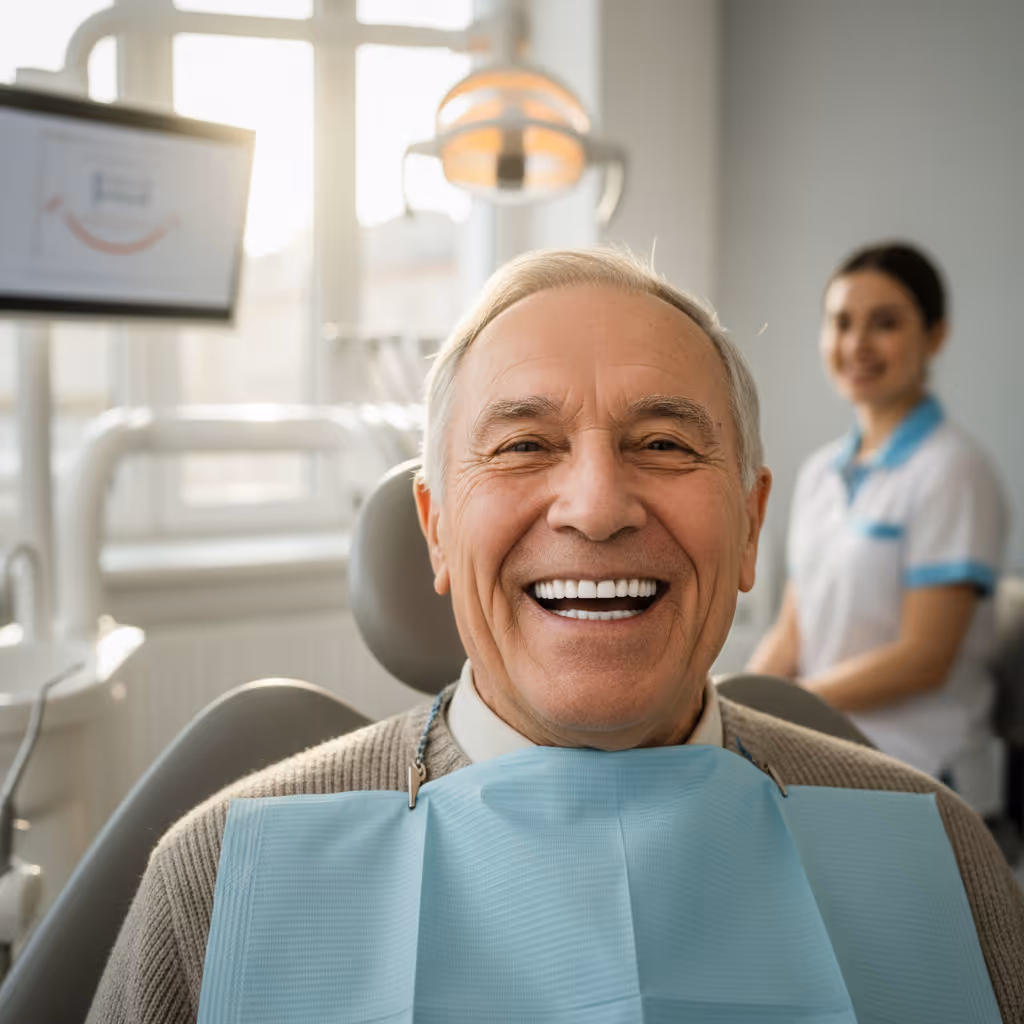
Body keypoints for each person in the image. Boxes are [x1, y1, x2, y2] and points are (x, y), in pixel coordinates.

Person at [87, 249, 1023, 1024]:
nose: (598, 506)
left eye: (663, 443)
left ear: (747, 524)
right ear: (438, 528)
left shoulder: (940, 863)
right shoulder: (216, 891)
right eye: (523, 445)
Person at [749, 242, 1010, 800]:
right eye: (841, 323)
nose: (857, 344)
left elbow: (924, 660)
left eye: (884, 323)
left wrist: (785, 712)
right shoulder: (821, 472)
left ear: (935, 336)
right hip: (826, 749)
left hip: (922, 772)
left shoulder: (953, 470)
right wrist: (734, 705)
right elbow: (793, 632)